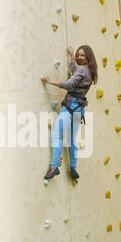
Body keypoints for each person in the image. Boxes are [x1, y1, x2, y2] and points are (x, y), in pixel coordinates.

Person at [43, 45, 98, 180]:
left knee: (56, 134)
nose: (79, 57)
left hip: (70, 107)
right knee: (71, 139)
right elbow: (76, 72)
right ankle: (73, 167)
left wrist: (50, 82)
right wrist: (71, 56)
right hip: (79, 109)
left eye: (82, 55)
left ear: (88, 57)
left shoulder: (82, 71)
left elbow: (69, 84)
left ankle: (54, 166)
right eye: (79, 55)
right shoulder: (89, 71)